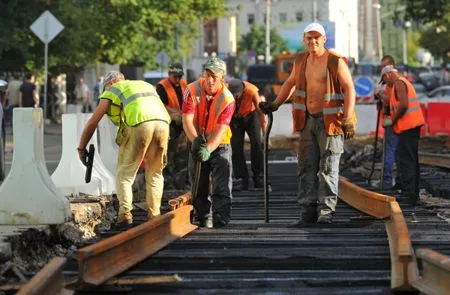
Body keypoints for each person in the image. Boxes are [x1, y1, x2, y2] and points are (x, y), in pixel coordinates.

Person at [259, 23, 356, 224]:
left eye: (316, 38)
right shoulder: (301, 60)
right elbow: (290, 83)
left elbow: (349, 89)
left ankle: (326, 212)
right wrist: (276, 103)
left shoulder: (334, 61)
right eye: (309, 38)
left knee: (328, 168)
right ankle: (308, 212)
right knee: (306, 167)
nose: (313, 41)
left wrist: (347, 118)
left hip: (329, 122)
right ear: (305, 40)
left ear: (323, 39)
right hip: (307, 121)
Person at [77, 71, 170, 228]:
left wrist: (81, 148)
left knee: (124, 174)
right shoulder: (144, 85)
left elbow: (93, 122)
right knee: (155, 173)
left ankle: (125, 214)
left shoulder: (112, 90)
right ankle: (154, 215)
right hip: (163, 124)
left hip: (139, 123)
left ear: (110, 83)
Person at [182, 57, 235, 228]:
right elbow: (187, 120)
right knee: (199, 184)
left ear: (222, 78)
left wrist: (209, 148)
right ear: (203, 75)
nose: (210, 80)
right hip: (197, 141)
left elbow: (221, 130)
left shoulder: (228, 99)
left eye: (215, 76)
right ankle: (203, 216)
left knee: (221, 185)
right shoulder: (191, 90)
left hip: (220, 146)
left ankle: (221, 218)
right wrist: (196, 142)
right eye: (208, 75)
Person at [380, 65, 425, 205]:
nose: (385, 84)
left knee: (407, 161)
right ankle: (412, 194)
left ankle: (409, 194)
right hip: (409, 127)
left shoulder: (399, 83)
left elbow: (404, 105)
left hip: (409, 127)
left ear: (387, 75)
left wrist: (392, 119)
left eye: (384, 80)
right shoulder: (400, 84)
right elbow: (395, 105)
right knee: (410, 160)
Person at [228, 78, 266, 190]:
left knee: (257, 145)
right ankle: (241, 179)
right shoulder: (225, 91)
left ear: (243, 91)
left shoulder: (251, 91)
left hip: (251, 115)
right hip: (235, 118)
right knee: (236, 148)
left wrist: (265, 133)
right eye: (233, 95)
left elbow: (261, 112)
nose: (235, 97)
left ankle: (258, 178)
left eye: (237, 95)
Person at [156, 63, 188, 189]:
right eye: (175, 76)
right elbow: (161, 105)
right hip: (169, 125)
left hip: (183, 124)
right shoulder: (162, 86)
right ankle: (168, 182)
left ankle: (181, 182)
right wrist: (175, 113)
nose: (177, 79)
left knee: (183, 154)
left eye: (179, 76)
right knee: (169, 153)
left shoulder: (185, 84)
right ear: (169, 74)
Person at [374, 55, 400, 189]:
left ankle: (387, 182)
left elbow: (391, 100)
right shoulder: (387, 82)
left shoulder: (395, 82)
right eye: (381, 66)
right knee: (393, 151)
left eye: (385, 66)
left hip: (395, 121)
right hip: (391, 120)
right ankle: (394, 182)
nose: (382, 70)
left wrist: (380, 95)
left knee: (390, 151)